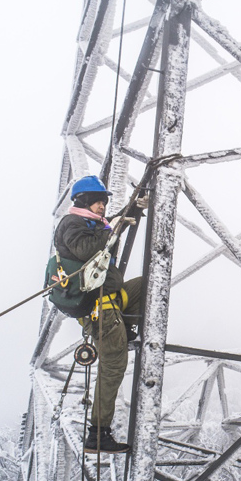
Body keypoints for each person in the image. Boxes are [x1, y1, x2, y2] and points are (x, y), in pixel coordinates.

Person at [54, 175, 144, 453]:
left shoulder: (93, 225)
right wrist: (113, 227)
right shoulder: (72, 223)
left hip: (112, 299)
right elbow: (87, 249)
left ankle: (124, 329)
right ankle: (98, 433)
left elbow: (106, 231)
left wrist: (133, 209)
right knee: (113, 366)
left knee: (146, 284)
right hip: (99, 308)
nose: (102, 206)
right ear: (83, 201)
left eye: (104, 202)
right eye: (97, 201)